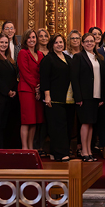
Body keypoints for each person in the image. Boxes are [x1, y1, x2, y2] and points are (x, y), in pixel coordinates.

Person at [71, 33, 105, 162]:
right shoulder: (78, 57)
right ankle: (84, 151)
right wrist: (78, 97)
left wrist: (102, 97)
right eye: (86, 41)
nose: (89, 43)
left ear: (95, 43)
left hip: (96, 95)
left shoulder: (98, 58)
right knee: (85, 123)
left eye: (91, 41)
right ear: (82, 44)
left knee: (91, 124)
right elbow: (74, 79)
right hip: (84, 96)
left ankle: (89, 150)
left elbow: (103, 79)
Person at [40, 34, 74, 162]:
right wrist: (47, 96)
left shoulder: (66, 57)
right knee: (57, 127)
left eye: (61, 42)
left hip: (68, 98)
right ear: (52, 45)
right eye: (56, 42)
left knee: (66, 126)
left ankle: (54, 153)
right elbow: (45, 79)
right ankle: (61, 153)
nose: (59, 44)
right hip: (54, 98)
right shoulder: (48, 59)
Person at [17, 29, 44, 150]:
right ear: (25, 40)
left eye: (33, 37)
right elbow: (25, 72)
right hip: (26, 90)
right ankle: (24, 148)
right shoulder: (23, 53)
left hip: (37, 90)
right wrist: (36, 88)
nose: (32, 40)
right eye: (29, 38)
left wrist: (39, 88)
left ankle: (31, 147)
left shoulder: (40, 54)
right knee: (26, 120)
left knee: (35, 120)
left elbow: (42, 73)